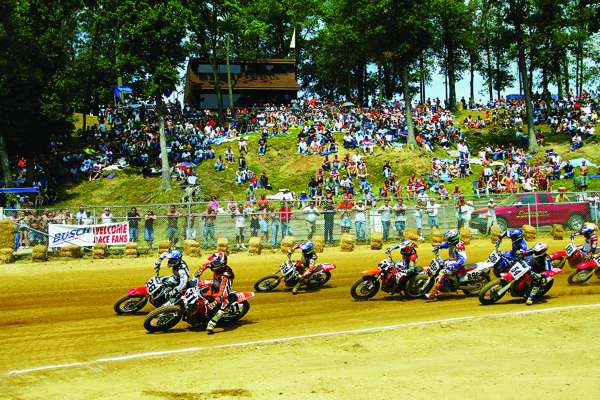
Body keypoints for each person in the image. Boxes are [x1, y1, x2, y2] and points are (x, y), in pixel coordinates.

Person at [193, 252, 235, 334]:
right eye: (213, 262)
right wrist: (196, 275)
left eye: (215, 263)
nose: (212, 264)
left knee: (224, 302)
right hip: (215, 285)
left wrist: (214, 303)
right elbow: (205, 265)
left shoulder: (226, 275)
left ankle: (212, 323)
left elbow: (222, 292)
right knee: (199, 287)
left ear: (221, 264)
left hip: (223, 290)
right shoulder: (216, 266)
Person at [426, 230, 467, 301]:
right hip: (452, 260)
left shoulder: (459, 246)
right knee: (440, 264)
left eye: (449, 239)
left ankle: (434, 294)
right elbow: (446, 244)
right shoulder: (452, 242)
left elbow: (463, 258)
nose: (448, 240)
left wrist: (455, 264)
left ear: (453, 239)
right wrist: (439, 247)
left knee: (442, 273)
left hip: (456, 263)